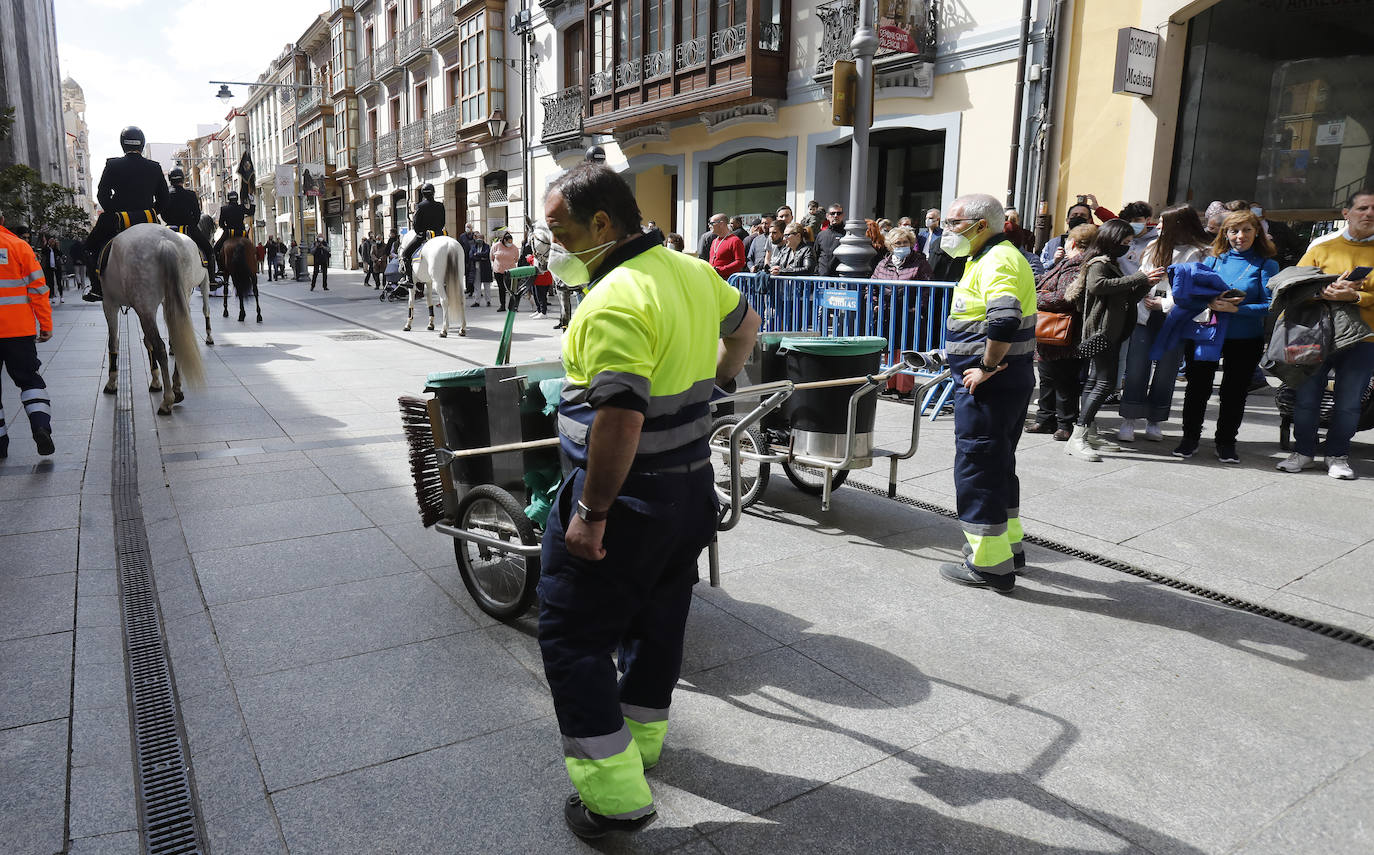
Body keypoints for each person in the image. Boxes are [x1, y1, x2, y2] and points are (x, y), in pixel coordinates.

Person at [537, 162, 760, 840]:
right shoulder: (692, 272)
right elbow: (747, 328)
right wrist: (714, 388)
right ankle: (644, 744)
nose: (555, 247)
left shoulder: (612, 299)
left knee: (573, 637)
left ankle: (613, 800)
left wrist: (590, 513)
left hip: (625, 505)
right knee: (659, 620)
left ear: (601, 224)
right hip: (689, 490)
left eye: (560, 232)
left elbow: (621, 416)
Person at [936, 193, 1038, 592]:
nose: (947, 230)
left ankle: (989, 565)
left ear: (981, 225)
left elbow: (1003, 318)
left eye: (953, 222)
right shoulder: (987, 258)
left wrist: (987, 367)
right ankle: (1010, 548)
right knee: (997, 465)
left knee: (977, 469)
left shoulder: (998, 260)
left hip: (990, 388)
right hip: (1003, 385)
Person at [1279, 189, 1374, 479]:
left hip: (1364, 339)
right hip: (1317, 336)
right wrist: (1323, 291)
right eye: (1363, 208)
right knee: (1307, 398)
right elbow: (1294, 286)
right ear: (1346, 213)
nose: (1369, 214)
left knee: (1348, 402)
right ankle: (1304, 452)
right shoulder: (1321, 247)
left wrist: (1357, 297)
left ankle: (1337, 456)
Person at [1174, 209, 1276, 462]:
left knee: (1234, 392)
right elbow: (1197, 294)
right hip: (1208, 333)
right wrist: (1207, 300)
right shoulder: (1213, 260)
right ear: (1225, 233)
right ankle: (1190, 439)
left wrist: (1236, 309)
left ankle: (1226, 442)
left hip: (1245, 338)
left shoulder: (1266, 264)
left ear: (1257, 233)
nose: (1240, 236)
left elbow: (1271, 304)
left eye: (1246, 230)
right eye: (1234, 231)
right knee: (1197, 388)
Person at [1063, 220, 1166, 461]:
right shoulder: (1099, 263)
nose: (1128, 247)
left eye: (1130, 243)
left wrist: (1145, 284)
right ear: (1112, 240)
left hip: (1113, 331)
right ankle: (1077, 437)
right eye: (1125, 242)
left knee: (1095, 381)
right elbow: (1098, 286)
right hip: (1102, 332)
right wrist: (1139, 277)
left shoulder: (1113, 263)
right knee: (1105, 384)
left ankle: (1087, 432)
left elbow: (1126, 297)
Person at [1117, 204, 1210, 442]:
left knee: (1167, 372)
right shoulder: (1153, 246)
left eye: (1162, 222)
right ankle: (1129, 418)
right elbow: (1143, 276)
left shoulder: (1200, 252)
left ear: (1179, 225)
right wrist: (1144, 288)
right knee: (1137, 368)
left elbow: (1197, 292)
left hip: (1175, 317)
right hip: (1145, 314)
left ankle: (1154, 421)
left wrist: (1165, 304)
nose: (1156, 226)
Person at [83, 126, 169, 301]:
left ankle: (97, 288)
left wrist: (113, 212)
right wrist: (151, 212)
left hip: (118, 219)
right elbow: (164, 198)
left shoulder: (113, 164)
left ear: (123, 144)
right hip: (148, 219)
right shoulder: (154, 167)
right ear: (142, 144)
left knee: (91, 247)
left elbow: (102, 194)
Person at [1026, 223, 1096, 440]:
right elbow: (1045, 283)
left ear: (1073, 243)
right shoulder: (1067, 262)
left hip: (1065, 331)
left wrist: (1033, 297)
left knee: (1065, 380)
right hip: (1051, 331)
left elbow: (1063, 297)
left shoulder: (1078, 265)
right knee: (1047, 377)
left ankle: (1065, 423)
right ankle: (1045, 419)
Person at [0, 208, 55, 458]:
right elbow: (38, 289)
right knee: (29, 379)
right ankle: (40, 425)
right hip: (17, 330)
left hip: (15, 329)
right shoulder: (18, 246)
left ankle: (0, 442)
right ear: (2, 220)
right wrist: (45, 324)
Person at [161, 167, 216, 282]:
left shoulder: (165, 195)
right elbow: (196, 214)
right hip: (189, 229)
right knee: (209, 250)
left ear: (170, 180)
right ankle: (212, 280)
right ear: (183, 179)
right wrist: (191, 224)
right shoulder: (190, 194)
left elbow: (163, 214)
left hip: (169, 229)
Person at [402, 183, 446, 286]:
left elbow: (416, 224)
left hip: (424, 236)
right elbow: (443, 222)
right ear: (433, 193)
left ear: (423, 194)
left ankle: (409, 280)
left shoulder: (420, 206)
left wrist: (420, 233)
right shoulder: (440, 205)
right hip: (439, 235)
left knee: (405, 254)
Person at [1039, 201, 1095, 269]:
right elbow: (1041, 268)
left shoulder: (1094, 243)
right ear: (1067, 220)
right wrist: (1054, 261)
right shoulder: (1052, 244)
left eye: (1082, 215)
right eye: (1074, 215)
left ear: (1089, 220)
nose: (1078, 217)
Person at [212, 190, 255, 267]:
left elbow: (221, 223)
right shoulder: (241, 207)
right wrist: (252, 202)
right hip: (242, 233)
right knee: (251, 248)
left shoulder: (224, 209)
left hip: (229, 233)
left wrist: (226, 228)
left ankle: (221, 268)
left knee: (216, 249)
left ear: (228, 199)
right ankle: (254, 265)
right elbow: (251, 212)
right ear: (237, 198)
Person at [706, 213, 745, 280]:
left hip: (728, 281)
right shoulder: (714, 241)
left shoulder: (735, 241)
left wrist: (720, 270)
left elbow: (740, 262)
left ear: (721, 224)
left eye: (712, 223)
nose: (709, 226)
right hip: (713, 279)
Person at [491, 231, 520, 311]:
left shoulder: (514, 248)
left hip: (511, 272)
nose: (510, 243)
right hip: (498, 271)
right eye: (509, 241)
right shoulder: (496, 246)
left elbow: (516, 259)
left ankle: (513, 306)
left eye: (511, 241)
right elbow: (492, 257)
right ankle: (502, 305)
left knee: (511, 289)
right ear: (504, 240)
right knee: (501, 289)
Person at [814, 203, 844, 276]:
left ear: (842, 216)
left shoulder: (847, 234)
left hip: (840, 279)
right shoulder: (821, 235)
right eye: (832, 213)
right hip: (822, 279)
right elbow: (815, 255)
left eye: (839, 213)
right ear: (827, 216)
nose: (836, 216)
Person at [467, 231, 493, 306]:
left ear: (483, 239)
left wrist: (477, 255)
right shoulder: (473, 247)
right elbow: (471, 256)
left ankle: (488, 301)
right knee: (477, 286)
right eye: (478, 238)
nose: (479, 240)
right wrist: (481, 257)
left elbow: (486, 254)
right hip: (476, 269)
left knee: (487, 286)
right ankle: (477, 301)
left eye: (481, 238)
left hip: (485, 269)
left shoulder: (487, 246)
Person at [40, 238, 62, 303]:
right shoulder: (47, 249)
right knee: (50, 282)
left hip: (57, 267)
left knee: (59, 281)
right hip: (49, 267)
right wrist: (45, 243)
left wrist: (57, 247)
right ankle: (52, 296)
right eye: (50, 242)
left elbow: (60, 254)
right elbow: (43, 251)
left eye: (53, 242)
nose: (52, 243)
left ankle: (61, 296)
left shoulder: (56, 250)